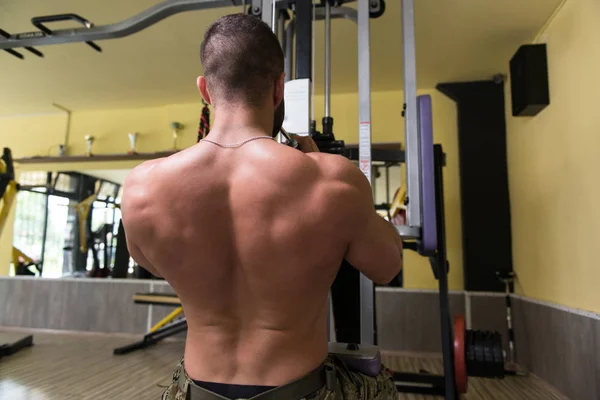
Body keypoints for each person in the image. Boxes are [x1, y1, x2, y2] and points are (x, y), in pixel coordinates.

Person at [121, 13, 402, 400]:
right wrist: (345, 190)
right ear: (277, 88)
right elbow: (387, 266)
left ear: (205, 90)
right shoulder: (332, 180)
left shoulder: (141, 188)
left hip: (198, 391)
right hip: (301, 390)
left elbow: (151, 262)